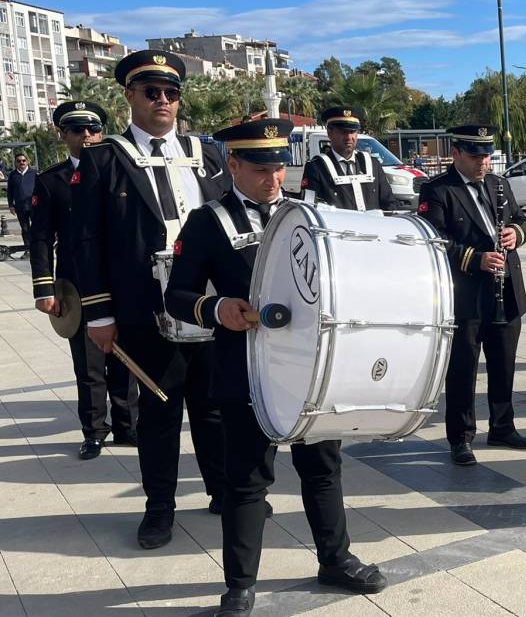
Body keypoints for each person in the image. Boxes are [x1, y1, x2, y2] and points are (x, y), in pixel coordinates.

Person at [165, 118, 386, 616]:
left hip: (311, 369)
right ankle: (239, 585)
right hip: (245, 370)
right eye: (261, 168)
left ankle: (335, 558)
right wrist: (217, 309)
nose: (273, 178)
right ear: (234, 164)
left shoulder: (308, 215)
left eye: (280, 166)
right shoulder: (208, 221)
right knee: (246, 480)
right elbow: (177, 294)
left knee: (323, 469)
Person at [71, 49, 228, 550]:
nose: (163, 100)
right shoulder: (103, 158)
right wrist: (98, 313)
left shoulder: (207, 154)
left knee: (214, 407)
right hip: (144, 310)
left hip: (207, 305)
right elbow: (85, 243)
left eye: (171, 93)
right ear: (129, 97)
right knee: (160, 414)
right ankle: (160, 507)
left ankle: (224, 492)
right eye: (151, 92)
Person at [418, 124, 526, 466]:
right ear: (456, 154)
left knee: (504, 362)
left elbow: (522, 220)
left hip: (506, 288)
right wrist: (476, 258)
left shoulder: (500, 185)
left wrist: (516, 233)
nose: (483, 162)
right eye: (475, 156)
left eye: (487, 155)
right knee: (463, 367)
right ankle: (460, 437)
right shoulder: (438, 190)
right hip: (466, 293)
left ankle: (502, 426)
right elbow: (435, 241)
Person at [31, 101, 136, 460]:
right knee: (90, 365)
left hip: (122, 281)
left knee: (125, 359)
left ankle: (127, 425)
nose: (87, 136)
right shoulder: (51, 181)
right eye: (77, 130)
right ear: (63, 136)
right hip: (78, 287)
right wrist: (45, 289)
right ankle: (94, 431)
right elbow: (41, 238)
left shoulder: (123, 171)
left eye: (93, 128)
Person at [300, 106, 398, 211]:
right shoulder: (316, 168)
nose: (348, 137)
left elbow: (389, 204)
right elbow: (309, 209)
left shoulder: (372, 164)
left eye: (352, 131)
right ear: (329, 132)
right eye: (343, 132)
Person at [6, 152, 36, 247]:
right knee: (25, 228)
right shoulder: (12, 175)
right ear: (15, 163)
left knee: (36, 227)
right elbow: (9, 191)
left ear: (27, 161)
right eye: (19, 161)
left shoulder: (34, 173)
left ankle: (37, 247)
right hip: (20, 206)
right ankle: (27, 249)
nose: (21, 162)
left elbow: (41, 189)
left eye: (24, 160)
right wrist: (11, 205)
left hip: (34, 206)